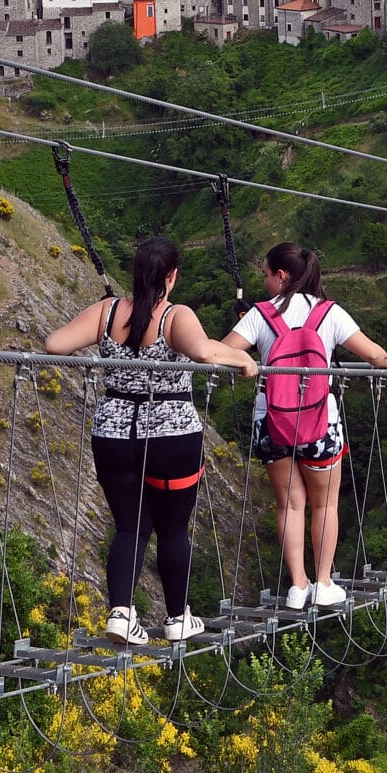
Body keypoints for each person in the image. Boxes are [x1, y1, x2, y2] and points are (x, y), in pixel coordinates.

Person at [42, 235, 254, 645]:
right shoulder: (176, 316)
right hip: (171, 436)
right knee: (173, 530)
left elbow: (55, 344)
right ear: (172, 276)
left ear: (135, 273)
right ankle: (178, 618)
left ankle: (121, 613)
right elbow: (205, 354)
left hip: (114, 434)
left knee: (130, 527)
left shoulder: (105, 313)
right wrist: (244, 359)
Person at [227, 242, 387, 611]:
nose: (263, 281)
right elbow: (372, 353)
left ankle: (297, 586)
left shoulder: (260, 314)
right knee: (324, 505)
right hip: (320, 420)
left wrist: (248, 361)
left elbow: (219, 351)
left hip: (271, 419)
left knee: (289, 506)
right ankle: (324, 583)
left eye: (265, 274)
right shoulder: (330, 313)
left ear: (281, 276)